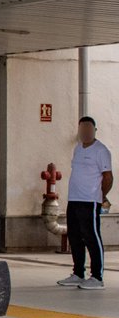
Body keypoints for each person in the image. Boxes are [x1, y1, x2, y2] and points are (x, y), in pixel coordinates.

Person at [58, 116, 113, 289]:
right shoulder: (78, 149)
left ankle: (97, 277)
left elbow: (108, 177)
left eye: (89, 129)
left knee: (92, 237)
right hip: (74, 199)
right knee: (74, 236)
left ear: (94, 130)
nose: (85, 133)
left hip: (90, 200)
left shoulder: (101, 150)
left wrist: (101, 195)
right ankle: (78, 273)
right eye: (82, 129)